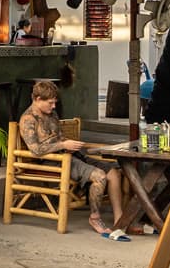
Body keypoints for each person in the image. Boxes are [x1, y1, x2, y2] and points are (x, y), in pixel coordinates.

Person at [19, 79, 128, 238]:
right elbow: (36, 150)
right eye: (50, 103)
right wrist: (64, 145)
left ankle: (120, 220)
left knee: (113, 173)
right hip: (53, 161)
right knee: (100, 176)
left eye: (55, 102)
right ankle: (95, 218)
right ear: (37, 99)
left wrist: (72, 145)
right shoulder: (28, 119)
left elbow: (59, 137)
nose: (54, 106)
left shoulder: (52, 114)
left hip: (69, 155)